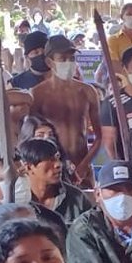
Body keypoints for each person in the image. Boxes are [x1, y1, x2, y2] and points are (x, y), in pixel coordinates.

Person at [29, 34, 103, 184]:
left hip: (82, 166)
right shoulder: (38, 94)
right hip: (50, 167)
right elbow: (30, 137)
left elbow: (99, 137)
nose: (68, 63)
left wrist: (84, 165)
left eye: (72, 58)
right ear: (50, 62)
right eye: (62, 59)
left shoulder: (87, 91)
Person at [12, 136, 93, 223]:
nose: (58, 164)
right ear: (29, 167)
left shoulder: (77, 199)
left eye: (57, 158)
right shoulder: (15, 201)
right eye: (50, 160)